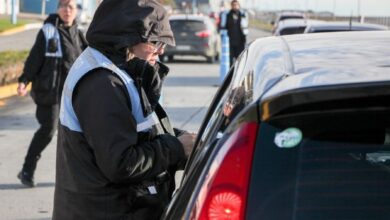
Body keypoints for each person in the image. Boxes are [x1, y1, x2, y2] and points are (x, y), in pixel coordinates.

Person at [52, 0, 196, 219]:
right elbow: (121, 163)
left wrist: (180, 140)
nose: (161, 50)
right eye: (155, 41)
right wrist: (175, 147)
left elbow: (135, 132)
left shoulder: (120, 69)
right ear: (127, 37)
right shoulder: (102, 83)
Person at [16, 0, 87, 187]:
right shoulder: (48, 32)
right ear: (58, 9)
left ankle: (76, 176)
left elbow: (91, 59)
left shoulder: (79, 34)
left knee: (77, 135)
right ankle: (27, 169)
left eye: (71, 6)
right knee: (48, 130)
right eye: (63, 6)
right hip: (51, 93)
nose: (67, 10)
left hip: (73, 96)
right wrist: (24, 80)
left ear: (76, 11)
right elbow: (34, 59)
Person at [220, 0, 249, 65]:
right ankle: (231, 74)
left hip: (240, 42)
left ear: (238, 6)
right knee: (230, 61)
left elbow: (245, 27)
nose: (235, 6)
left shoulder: (242, 15)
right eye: (233, 5)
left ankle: (238, 74)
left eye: (236, 5)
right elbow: (223, 27)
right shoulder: (227, 15)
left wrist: (244, 39)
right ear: (231, 6)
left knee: (240, 61)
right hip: (230, 42)